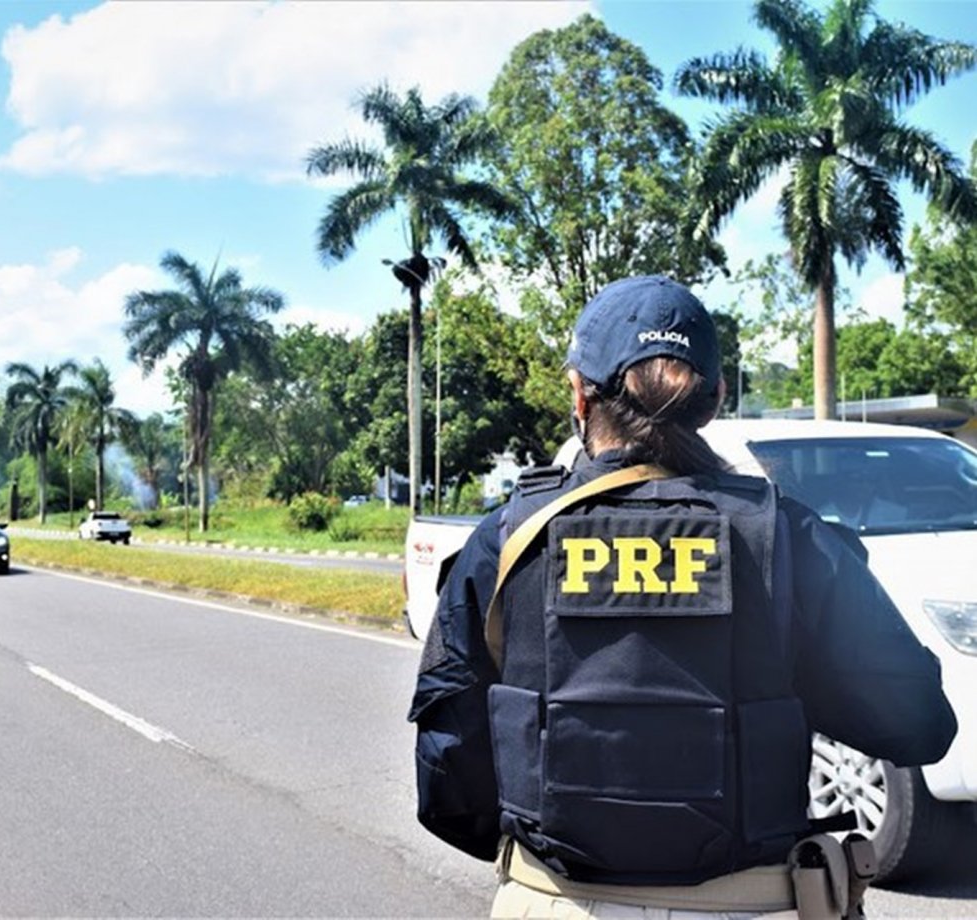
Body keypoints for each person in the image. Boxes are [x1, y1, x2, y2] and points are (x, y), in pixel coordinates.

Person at [408, 275, 956, 920]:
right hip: (751, 905)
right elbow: (917, 722)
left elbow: (447, 765)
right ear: (715, 398)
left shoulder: (507, 537)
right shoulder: (789, 535)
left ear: (578, 394)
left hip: (554, 903)